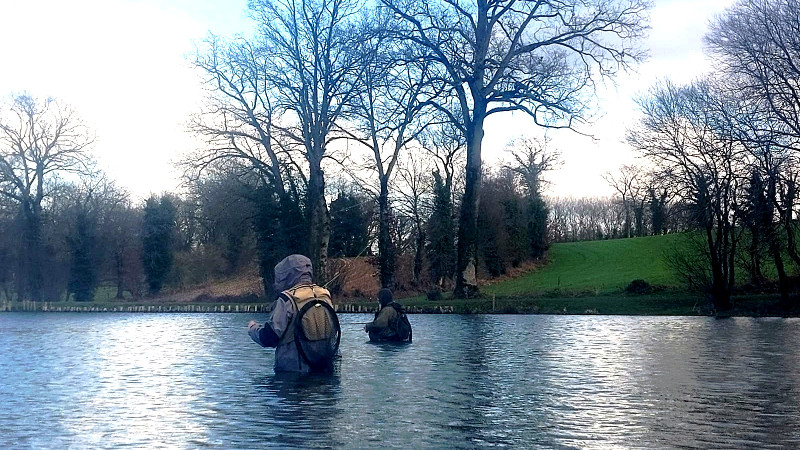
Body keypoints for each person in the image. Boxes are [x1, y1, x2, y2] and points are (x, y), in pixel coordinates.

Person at [248, 254, 340, 373]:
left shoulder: (287, 299)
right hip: (324, 370)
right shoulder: (325, 295)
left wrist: (252, 329)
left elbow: (269, 338)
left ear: (285, 275)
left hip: (292, 374)